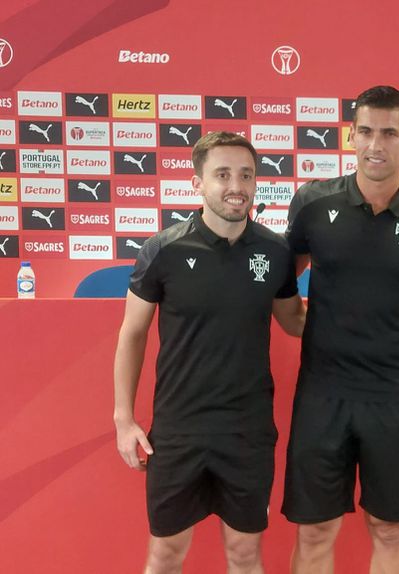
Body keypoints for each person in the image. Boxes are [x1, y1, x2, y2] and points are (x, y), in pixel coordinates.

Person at [282, 85, 399, 573]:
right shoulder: (312, 203)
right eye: (366, 131)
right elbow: (281, 284)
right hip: (323, 393)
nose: (375, 144)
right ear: (350, 136)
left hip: (396, 396)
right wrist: (301, 324)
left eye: (389, 133)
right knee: (316, 528)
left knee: (389, 527)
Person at [113, 131, 305, 574]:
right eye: (222, 174)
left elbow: (293, 320)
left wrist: (361, 319)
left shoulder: (274, 252)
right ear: (197, 182)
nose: (236, 186)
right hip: (179, 432)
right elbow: (132, 334)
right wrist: (124, 419)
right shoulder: (162, 250)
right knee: (165, 556)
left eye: (246, 175)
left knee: (244, 555)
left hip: (248, 432)